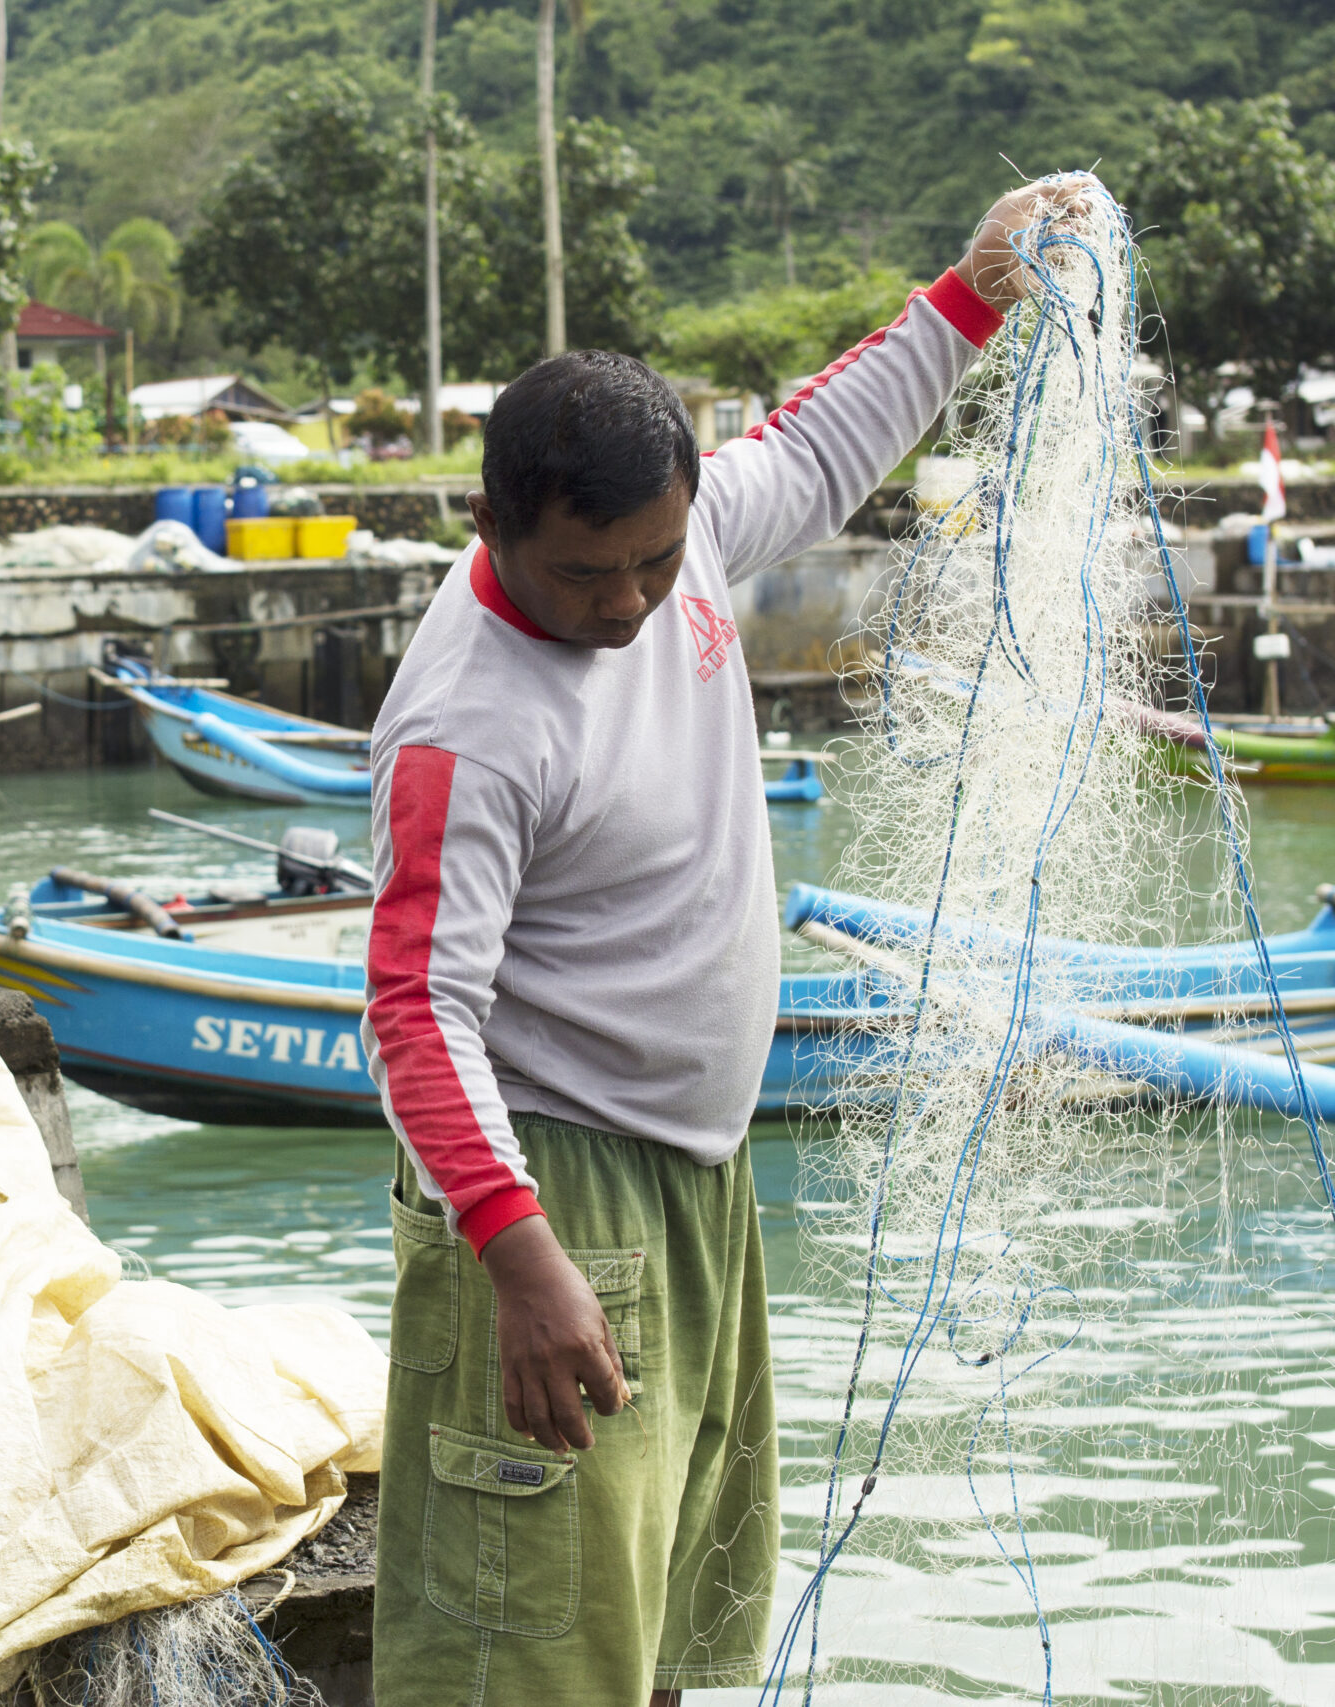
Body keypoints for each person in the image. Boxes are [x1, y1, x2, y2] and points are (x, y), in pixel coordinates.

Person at [364, 179, 1082, 1705]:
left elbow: (820, 448)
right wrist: (520, 1258)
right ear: (494, 523)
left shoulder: (675, 555)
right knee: (531, 1646)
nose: (627, 602)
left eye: (652, 561)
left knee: (674, 1609)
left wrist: (970, 293)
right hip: (556, 1200)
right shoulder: (467, 728)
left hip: (700, 1177)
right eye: (584, 573)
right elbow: (419, 1013)